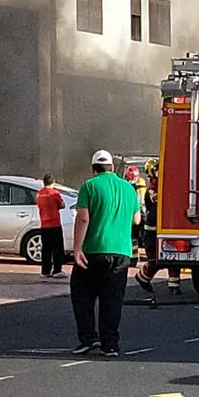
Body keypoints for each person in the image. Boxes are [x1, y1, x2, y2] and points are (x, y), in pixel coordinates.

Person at [70, 150, 140, 357]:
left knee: (82, 295)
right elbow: (136, 219)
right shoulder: (129, 188)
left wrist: (77, 249)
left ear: (93, 169)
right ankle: (110, 344)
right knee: (113, 299)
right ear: (111, 167)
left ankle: (89, 338)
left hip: (94, 250)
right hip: (121, 252)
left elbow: (83, 218)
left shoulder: (89, 186)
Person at [135, 159, 182, 297]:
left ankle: (174, 286)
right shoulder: (152, 188)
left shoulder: (162, 185)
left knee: (173, 258)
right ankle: (143, 278)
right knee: (155, 259)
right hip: (152, 229)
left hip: (166, 226)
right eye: (157, 169)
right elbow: (161, 202)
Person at [36, 174, 67, 279]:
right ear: (53, 182)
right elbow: (62, 205)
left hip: (44, 225)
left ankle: (45, 271)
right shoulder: (54, 193)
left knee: (46, 249)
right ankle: (57, 270)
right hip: (54, 224)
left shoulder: (39, 194)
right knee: (57, 248)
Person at [124, 165, 147, 252]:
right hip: (140, 212)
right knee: (137, 236)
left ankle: (134, 256)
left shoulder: (126, 185)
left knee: (133, 236)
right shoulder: (141, 183)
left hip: (134, 213)